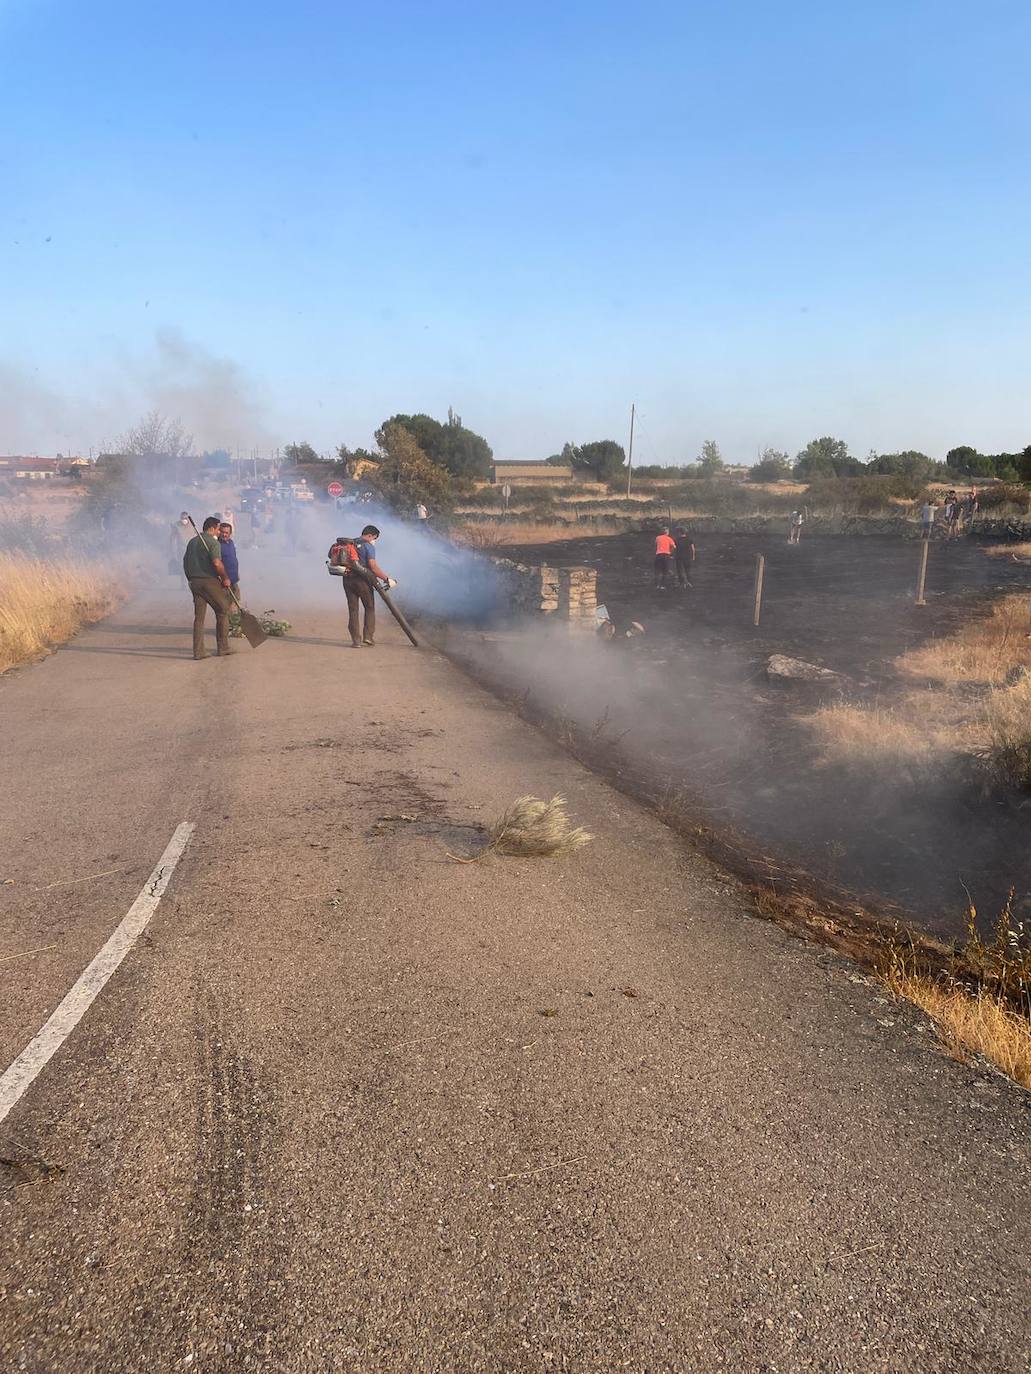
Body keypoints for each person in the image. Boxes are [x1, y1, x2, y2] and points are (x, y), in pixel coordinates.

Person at [183, 517, 233, 659]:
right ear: (212, 528)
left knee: (199, 618)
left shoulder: (192, 542)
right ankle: (223, 647)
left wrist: (190, 579)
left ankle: (198, 652)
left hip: (194, 582)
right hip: (208, 581)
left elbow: (185, 562)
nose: (219, 531)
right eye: (218, 528)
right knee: (223, 609)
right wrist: (225, 578)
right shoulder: (213, 542)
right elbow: (217, 563)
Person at [343, 524, 394, 647]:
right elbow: (373, 567)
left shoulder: (349, 544)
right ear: (370, 535)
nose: (374, 541)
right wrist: (387, 579)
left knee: (353, 610)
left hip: (347, 580)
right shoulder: (368, 546)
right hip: (363, 581)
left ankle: (356, 641)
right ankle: (368, 637)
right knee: (369, 607)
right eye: (374, 538)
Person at [218, 520, 241, 603]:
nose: (224, 534)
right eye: (222, 532)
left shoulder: (231, 543)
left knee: (236, 601)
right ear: (219, 532)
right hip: (225, 581)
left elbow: (234, 558)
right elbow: (217, 563)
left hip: (234, 579)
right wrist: (224, 578)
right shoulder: (217, 545)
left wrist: (237, 573)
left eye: (226, 533)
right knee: (226, 604)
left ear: (230, 533)